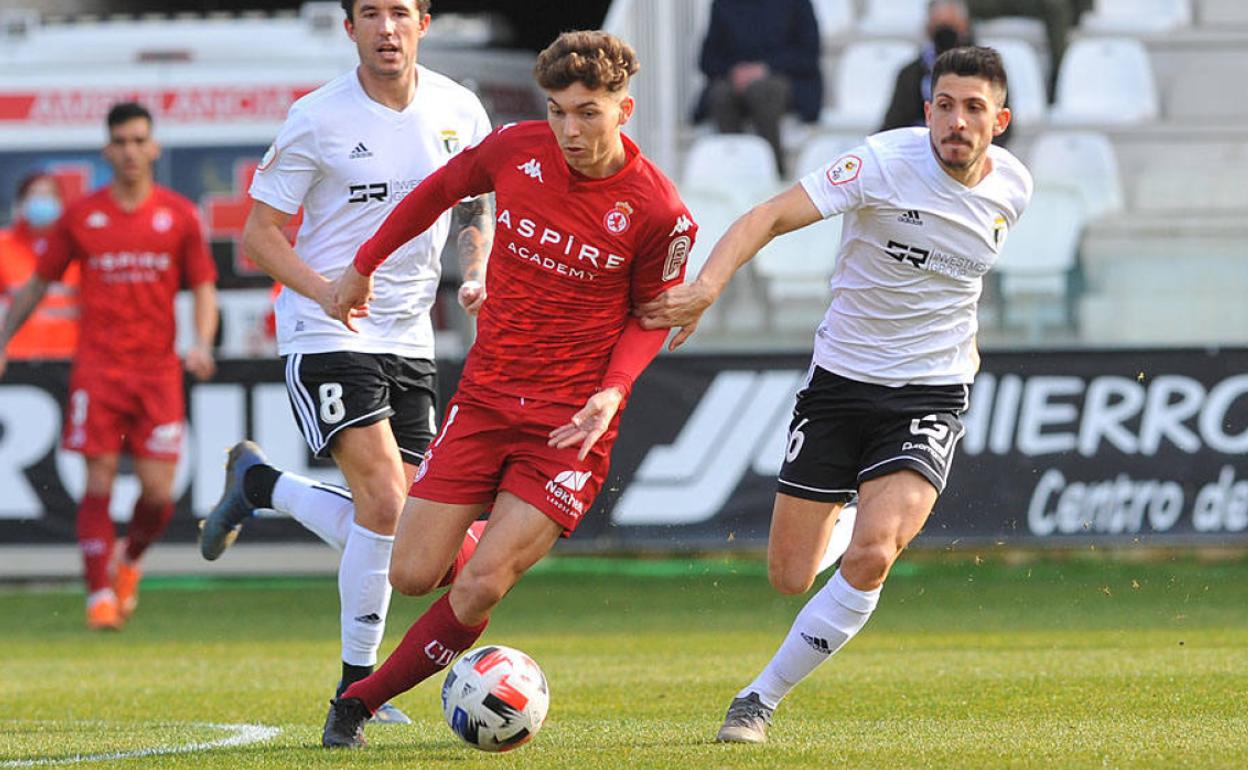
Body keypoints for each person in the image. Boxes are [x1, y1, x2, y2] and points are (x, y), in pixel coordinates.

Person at [638, 46, 1032, 743]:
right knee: (790, 576)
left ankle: (757, 700)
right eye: (944, 105)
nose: (956, 121)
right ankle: (854, 516)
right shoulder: (881, 163)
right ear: (927, 110)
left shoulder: (1014, 188)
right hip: (841, 382)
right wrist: (707, 286)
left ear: (998, 121)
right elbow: (768, 216)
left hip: (931, 391)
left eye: (974, 108)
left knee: (875, 555)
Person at [317, 29, 697, 748]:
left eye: (587, 112)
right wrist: (363, 265)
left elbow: (651, 317)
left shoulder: (658, 211)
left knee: (481, 587)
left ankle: (356, 704)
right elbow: (437, 192)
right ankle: (485, 537)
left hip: (569, 426)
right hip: (486, 400)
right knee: (412, 573)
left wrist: (613, 391)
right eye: (557, 111)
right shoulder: (516, 149)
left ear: (624, 110)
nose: (569, 130)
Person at [196, 0, 494, 725]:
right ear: (349, 28)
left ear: (424, 23)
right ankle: (356, 692)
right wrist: (325, 290)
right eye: (370, 13)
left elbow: (475, 209)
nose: (386, 28)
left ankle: (261, 483)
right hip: (325, 329)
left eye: (400, 13)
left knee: (412, 535)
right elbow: (259, 235)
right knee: (386, 503)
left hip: (410, 338)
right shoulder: (317, 117)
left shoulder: (460, 110)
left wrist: (477, 271)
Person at [0, 102, 219, 630]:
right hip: (98, 369)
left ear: (153, 147)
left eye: (138, 140)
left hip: (157, 372)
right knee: (97, 480)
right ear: (107, 149)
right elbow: (38, 283)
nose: (129, 151)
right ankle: (98, 592)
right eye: (120, 142)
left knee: (159, 494)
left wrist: (202, 343)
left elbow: (203, 287)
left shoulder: (178, 215)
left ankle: (130, 559)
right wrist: (4, 339)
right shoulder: (82, 216)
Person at [695, 0, 822, 177]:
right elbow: (707, 59)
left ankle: (774, 172)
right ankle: (735, 171)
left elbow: (808, 56)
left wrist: (764, 69)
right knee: (720, 95)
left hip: (786, 80)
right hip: (734, 80)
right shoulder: (724, 4)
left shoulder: (796, 3)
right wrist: (735, 72)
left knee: (762, 92)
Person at [882, 0, 1012, 146]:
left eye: (952, 25)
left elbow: (1001, 131)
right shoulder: (910, 74)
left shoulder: (988, 73)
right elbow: (892, 127)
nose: (945, 33)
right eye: (944, 106)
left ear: (965, 26)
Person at [0, 172, 79, 361]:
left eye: (48, 195)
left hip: (67, 355)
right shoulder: (4, 246)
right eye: (35, 194)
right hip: (15, 355)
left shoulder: (76, 247)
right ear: (22, 202)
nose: (42, 201)